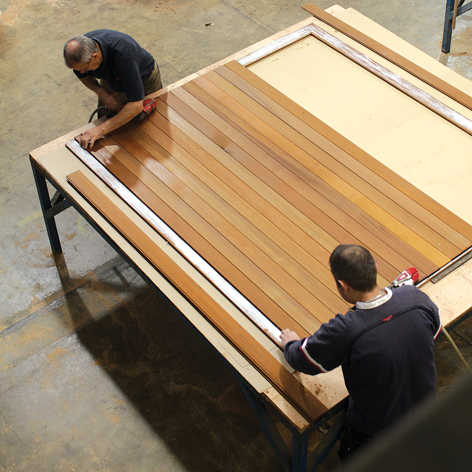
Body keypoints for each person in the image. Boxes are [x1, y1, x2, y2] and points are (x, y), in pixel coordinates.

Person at [280, 244, 441, 462]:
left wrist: (290, 344)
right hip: (428, 417)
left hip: (376, 436)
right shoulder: (415, 298)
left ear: (342, 285)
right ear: (374, 268)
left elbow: (303, 359)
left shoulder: (345, 331)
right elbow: (435, 329)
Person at [63, 30, 162, 149]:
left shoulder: (125, 55)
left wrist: (100, 130)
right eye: (77, 70)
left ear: (95, 56)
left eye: (84, 69)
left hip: (143, 79)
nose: (81, 72)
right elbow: (83, 76)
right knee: (106, 119)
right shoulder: (81, 52)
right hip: (111, 79)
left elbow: (136, 104)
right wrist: (102, 92)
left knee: (147, 129)